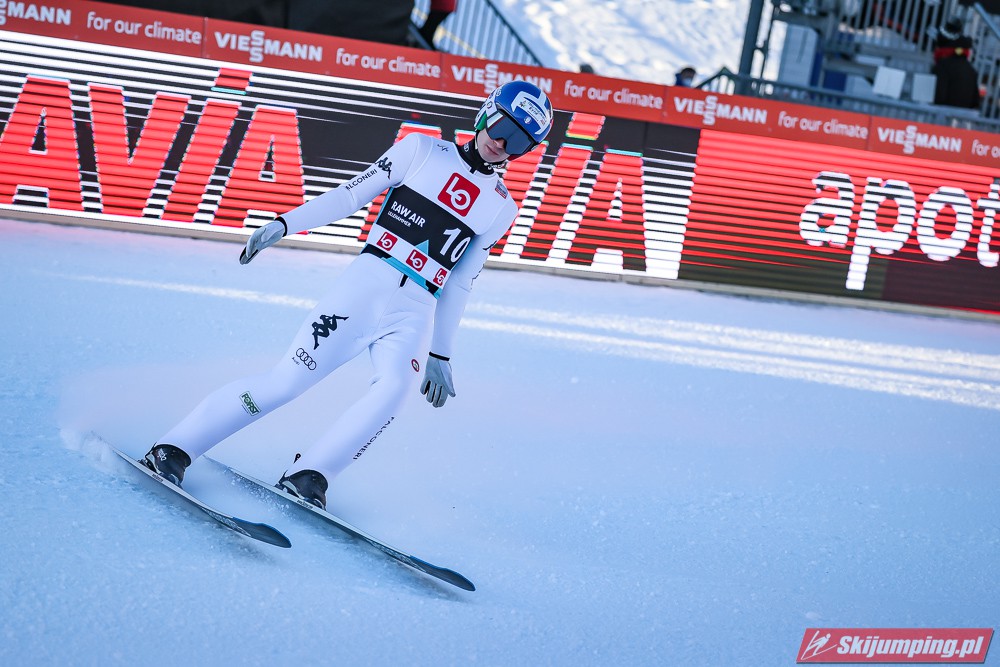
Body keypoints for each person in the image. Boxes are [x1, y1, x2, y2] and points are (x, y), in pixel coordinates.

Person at [142, 81, 554, 510]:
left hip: (417, 310)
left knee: (394, 391)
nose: (503, 143)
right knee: (285, 383)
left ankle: (311, 474)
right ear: (486, 113)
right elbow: (350, 195)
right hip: (366, 287)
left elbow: (461, 282)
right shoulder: (422, 150)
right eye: (503, 127)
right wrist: (285, 224)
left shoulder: (502, 207)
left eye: (520, 141)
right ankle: (174, 447)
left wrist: (441, 353)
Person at [931, 18, 981, 110]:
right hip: (962, 117)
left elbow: (938, 97)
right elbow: (975, 101)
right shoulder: (970, 69)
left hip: (943, 115)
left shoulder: (942, 66)